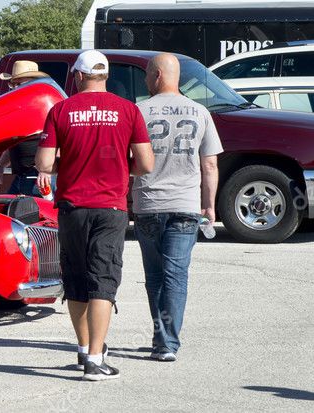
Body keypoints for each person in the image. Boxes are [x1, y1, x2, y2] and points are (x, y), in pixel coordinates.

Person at [35, 50, 154, 381]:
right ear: (105, 76)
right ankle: (96, 358)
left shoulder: (61, 110)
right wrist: (119, 164)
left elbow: (44, 164)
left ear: (77, 76)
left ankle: (84, 350)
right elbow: (146, 164)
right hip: (110, 207)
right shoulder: (128, 110)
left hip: (73, 207)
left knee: (76, 279)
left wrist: (68, 162)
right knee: (103, 281)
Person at [133, 53, 222, 362]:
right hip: (185, 205)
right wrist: (209, 206)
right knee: (176, 276)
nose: (145, 80)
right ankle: (167, 343)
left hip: (148, 203)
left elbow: (126, 160)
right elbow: (209, 165)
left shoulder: (138, 111)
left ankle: (162, 338)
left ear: (158, 76)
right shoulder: (200, 112)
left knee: (155, 277)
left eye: (147, 74)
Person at [0, 61, 51, 195]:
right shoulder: (20, 109)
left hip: (36, 176)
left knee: (26, 214)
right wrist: (0, 166)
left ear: (33, 83)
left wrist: (45, 170)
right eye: (12, 84)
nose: (14, 88)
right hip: (23, 176)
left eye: (19, 84)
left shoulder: (43, 107)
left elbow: (57, 143)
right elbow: (15, 142)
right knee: (10, 212)